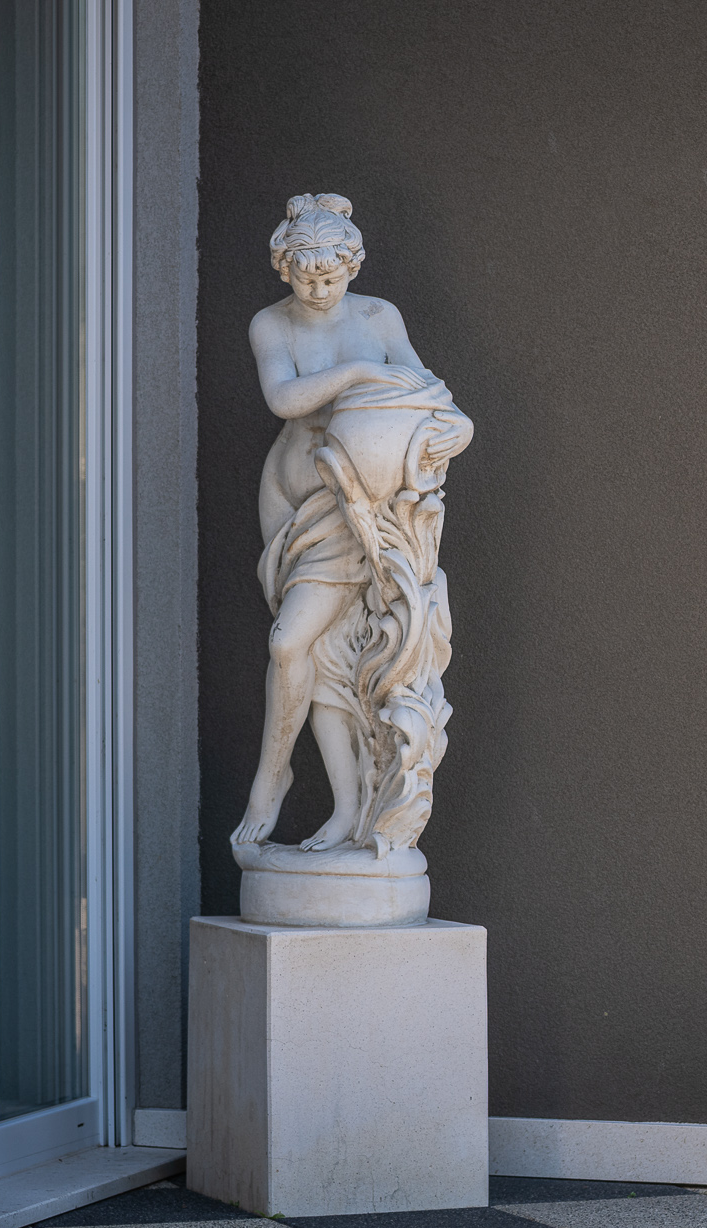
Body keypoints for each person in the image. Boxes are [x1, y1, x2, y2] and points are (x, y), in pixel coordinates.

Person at [233, 194, 471, 855]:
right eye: (306, 277)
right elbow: (283, 398)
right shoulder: (271, 326)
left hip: (358, 497)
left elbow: (425, 389)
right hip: (292, 500)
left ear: (353, 268)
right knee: (322, 652)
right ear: (285, 270)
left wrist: (436, 422)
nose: (318, 289)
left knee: (298, 646)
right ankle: (343, 806)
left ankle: (274, 780)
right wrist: (365, 372)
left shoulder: (379, 315)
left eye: (331, 277)